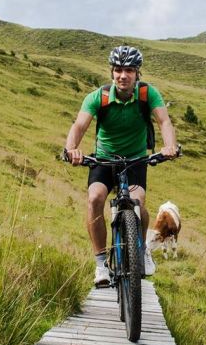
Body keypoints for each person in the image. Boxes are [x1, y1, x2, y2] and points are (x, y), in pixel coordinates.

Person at [64, 45, 178, 286]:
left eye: (128, 70)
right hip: (104, 158)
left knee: (138, 202)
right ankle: (100, 264)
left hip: (136, 159)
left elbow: (164, 121)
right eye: (118, 70)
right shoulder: (99, 97)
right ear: (112, 72)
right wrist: (72, 149)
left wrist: (169, 147)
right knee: (95, 198)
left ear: (138, 73)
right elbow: (79, 126)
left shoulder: (148, 94)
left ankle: (142, 250)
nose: (122, 75)